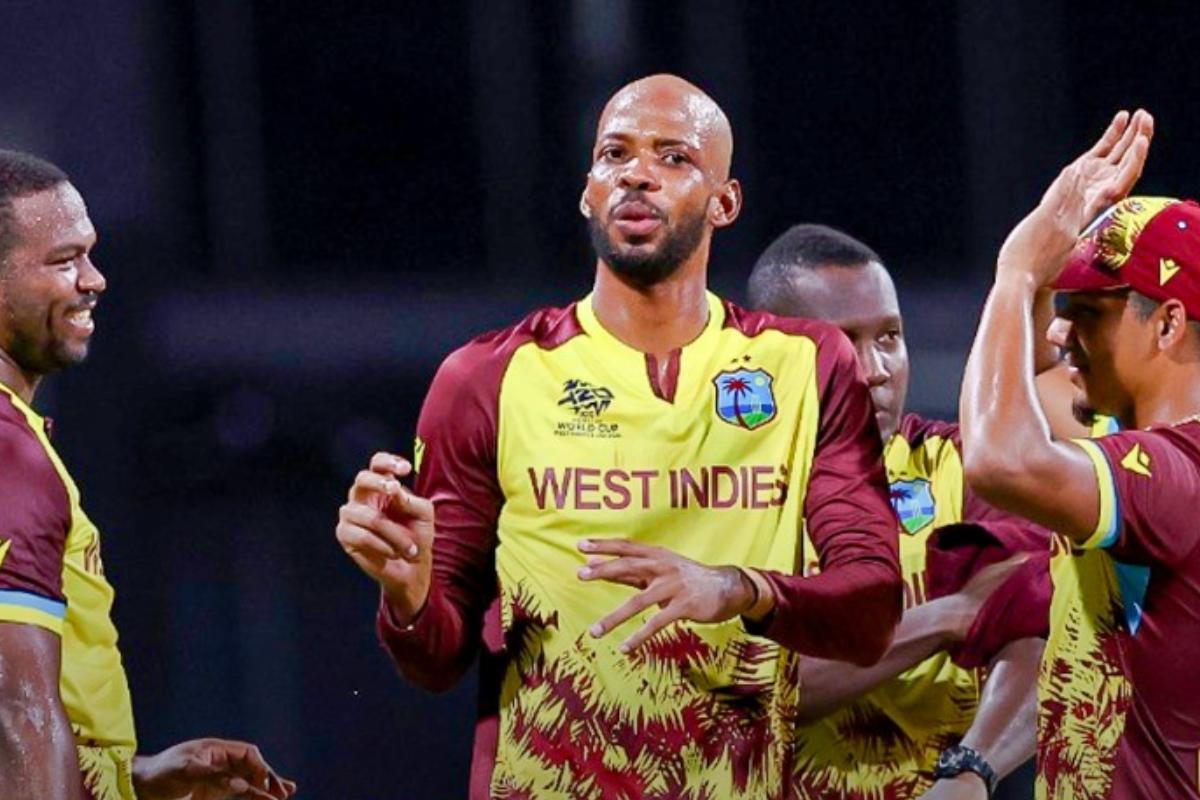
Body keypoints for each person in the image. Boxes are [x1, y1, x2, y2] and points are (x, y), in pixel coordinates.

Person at [336, 74, 902, 799]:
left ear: (724, 202)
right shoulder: (486, 378)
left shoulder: (806, 365)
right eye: (616, 154)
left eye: (674, 158)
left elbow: (870, 612)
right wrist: (408, 595)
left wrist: (736, 589)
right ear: (588, 192)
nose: (637, 173)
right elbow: (436, 659)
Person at [0, 149, 296, 800]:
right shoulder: (8, 458)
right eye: (63, 260)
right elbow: (18, 716)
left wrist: (130, 778)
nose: (95, 279)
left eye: (90, 253)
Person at [748, 225, 1053, 799]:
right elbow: (757, 690)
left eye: (889, 337)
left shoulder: (961, 468)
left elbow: (1038, 629)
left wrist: (970, 771)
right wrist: (947, 616)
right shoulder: (720, 487)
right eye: (843, 343)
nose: (875, 370)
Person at [959, 110, 1200, 798]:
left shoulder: (1172, 478)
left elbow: (1000, 456)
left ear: (1169, 323)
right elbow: (1018, 385)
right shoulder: (1140, 451)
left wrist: (1015, 272)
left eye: (1088, 310)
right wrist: (1053, 230)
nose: (1062, 329)